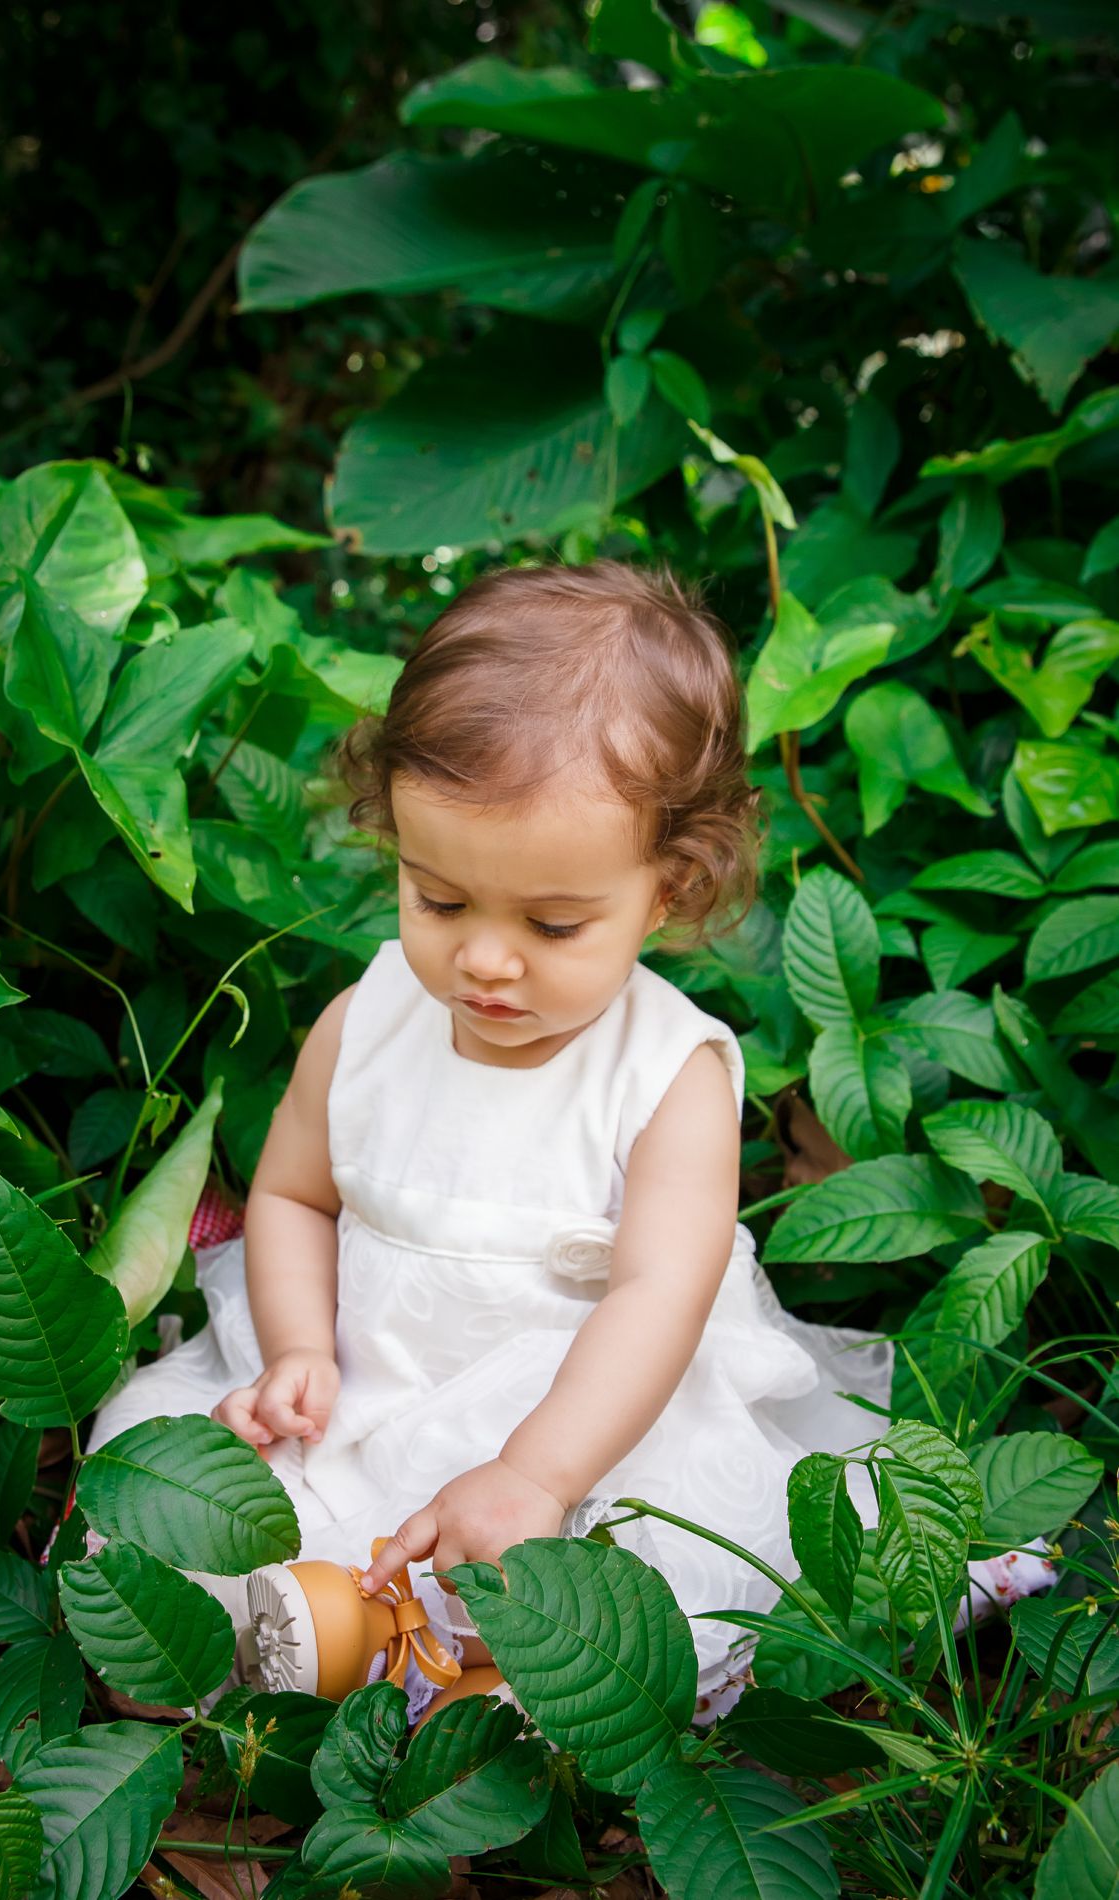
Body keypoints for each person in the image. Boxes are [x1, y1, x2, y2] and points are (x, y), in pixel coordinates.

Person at [85, 558, 893, 1727]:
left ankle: (414, 1669)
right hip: (364, 1374)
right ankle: (285, 1631)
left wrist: (536, 1474)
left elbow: (662, 1294)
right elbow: (296, 1197)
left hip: (585, 1416)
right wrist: (296, 1348)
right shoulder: (369, 1019)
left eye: (553, 923)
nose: (486, 960)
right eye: (439, 899)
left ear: (666, 889)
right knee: (163, 1462)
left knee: (584, 1595)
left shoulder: (667, 1075)